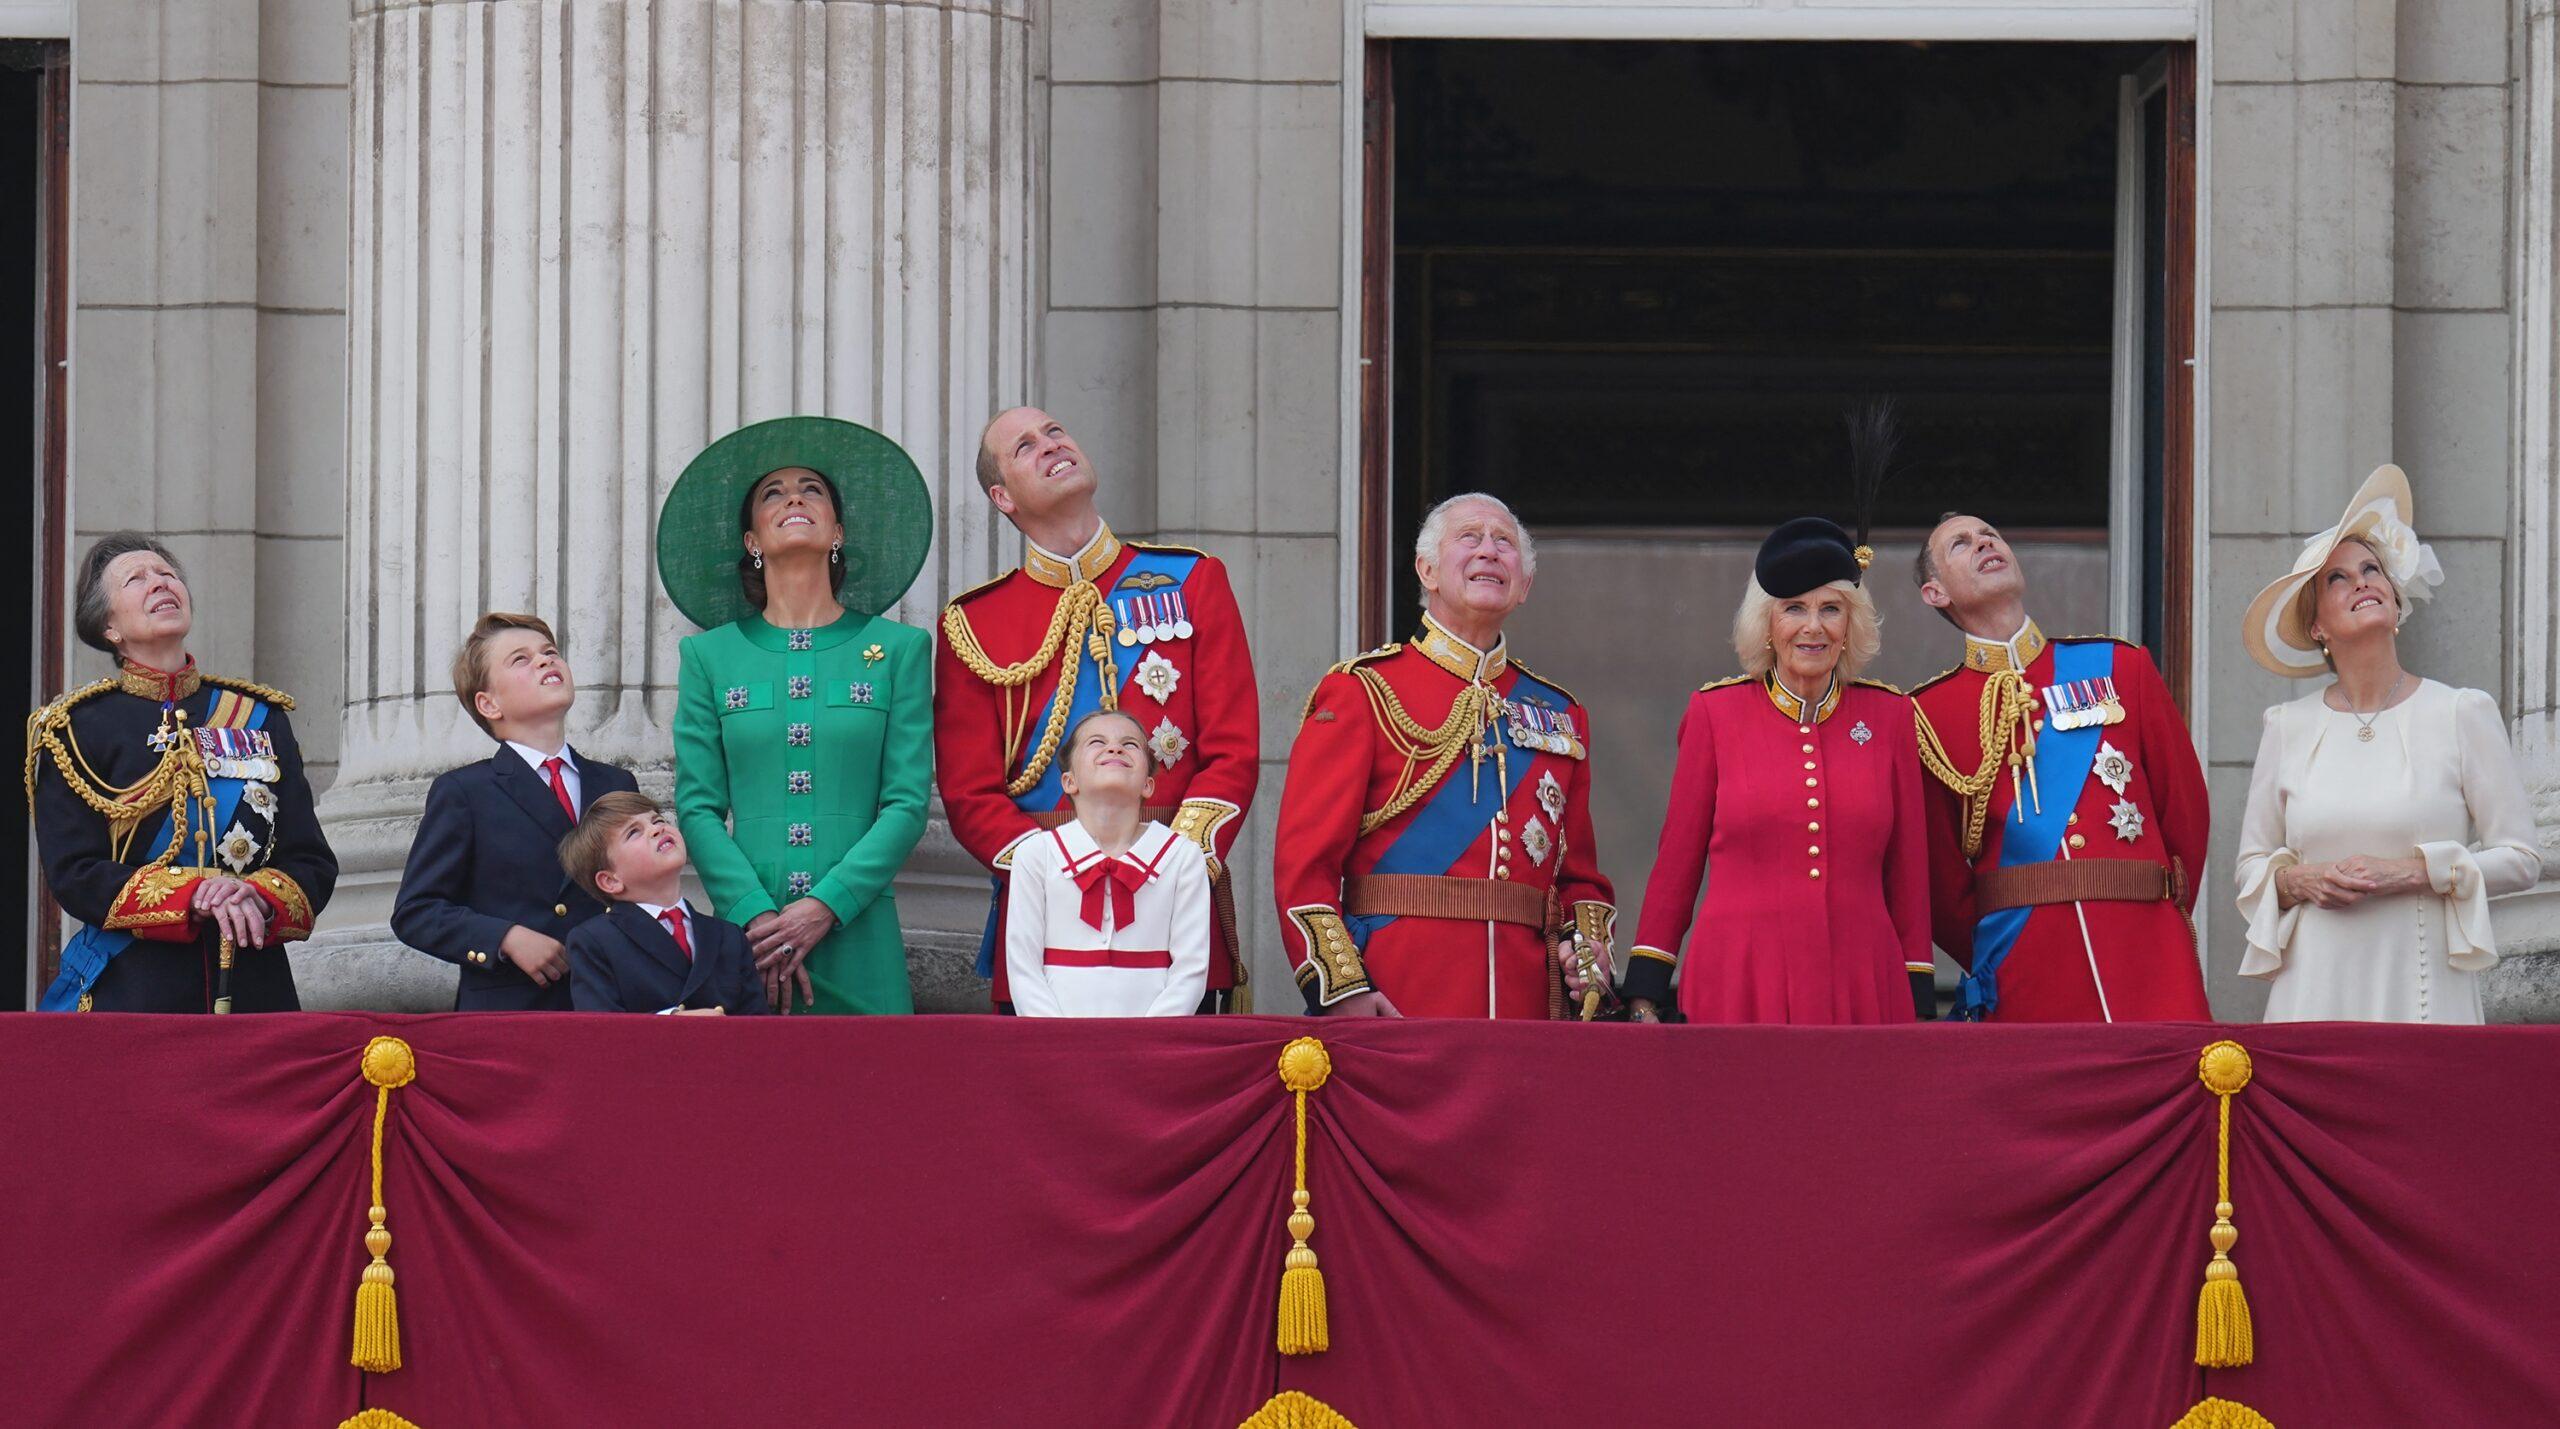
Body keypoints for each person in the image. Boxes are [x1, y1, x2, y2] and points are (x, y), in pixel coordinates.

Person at [936, 407, 1260, 1012]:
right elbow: (969, 794)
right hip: (1044, 911)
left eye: (1056, 431)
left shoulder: (1192, 580)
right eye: (1025, 446)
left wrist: (1170, 863)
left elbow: (1234, 751)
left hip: (1178, 897)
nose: (1051, 444)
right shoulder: (973, 624)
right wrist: (1057, 870)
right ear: (1002, 498)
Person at [1271, 493, 1615, 1018]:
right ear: (1426, 569)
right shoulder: (1363, 691)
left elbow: (1581, 880)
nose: (1489, 551)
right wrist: (1342, 990)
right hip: (1398, 998)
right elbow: (1305, 866)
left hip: (1529, 1010)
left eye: (1505, 543)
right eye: (1469, 537)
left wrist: (1587, 959)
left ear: (1524, 586)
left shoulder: (1560, 713)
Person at [2234, 464, 2541, 1023]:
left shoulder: (2461, 712)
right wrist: (2300, 879)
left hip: (2424, 991)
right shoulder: (2287, 725)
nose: (2362, 582)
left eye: (2372, 569)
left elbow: (2521, 859)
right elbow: (2252, 866)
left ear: (2397, 605)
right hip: (2313, 992)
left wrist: (2411, 873)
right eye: (2338, 579)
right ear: (2318, 628)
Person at [659, 417, 934, 1014]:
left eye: (812, 489)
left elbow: (907, 803)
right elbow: (698, 806)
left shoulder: (899, 649)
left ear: (837, 529)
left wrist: (827, 904)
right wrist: (755, 916)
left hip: (858, 929)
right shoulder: (708, 656)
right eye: (772, 493)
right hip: (750, 941)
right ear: (752, 540)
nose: (793, 498)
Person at [1618, 519, 1928, 1023]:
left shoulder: (1890, 717)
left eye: (1831, 609)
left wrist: (1917, 996)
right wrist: (1645, 991)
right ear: (1766, 623)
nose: (1814, 626)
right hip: (1737, 975)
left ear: (1851, 626)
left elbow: (1909, 873)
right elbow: (1677, 864)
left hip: (1863, 979)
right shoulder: (1715, 714)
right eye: (1794, 609)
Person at [1909, 513, 2211, 1021]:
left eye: (1991, 534)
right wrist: (2001, 940)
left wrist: (2158, 919)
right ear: (1935, 593)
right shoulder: (1927, 715)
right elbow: (1938, 880)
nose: (1984, 541)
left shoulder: (2118, 666)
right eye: (1961, 544)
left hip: (2149, 954)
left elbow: (2186, 812)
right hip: (2024, 965)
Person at [27, 534, 335, 1012]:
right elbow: (75, 873)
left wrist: (252, 892)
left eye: (167, 574)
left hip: (256, 988)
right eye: (136, 579)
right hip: (135, 992)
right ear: (108, 626)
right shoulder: (75, 730)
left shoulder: (259, 716)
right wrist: (192, 896)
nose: (160, 583)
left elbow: (311, 863)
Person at [391, 612, 639, 1009]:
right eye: (520, 659)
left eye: (550, 652)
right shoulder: (465, 792)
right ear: (489, 703)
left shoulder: (615, 783)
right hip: (513, 1008)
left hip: (609, 1001)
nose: (545, 660)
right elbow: (416, 911)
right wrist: (504, 937)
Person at [1003, 710, 1213, 1017]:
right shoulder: (1036, 854)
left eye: (1130, 745)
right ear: (1069, 781)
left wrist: (1148, 1042)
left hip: (1151, 1047)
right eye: (1096, 742)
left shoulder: (1182, 857)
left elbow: (1190, 971)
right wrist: (1057, 1040)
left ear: (1148, 785)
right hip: (1058, 1045)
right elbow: (1023, 969)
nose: (1114, 748)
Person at [558, 791, 769, 1015]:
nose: (657, 829)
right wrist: (672, 1021)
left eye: (657, 820)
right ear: (611, 881)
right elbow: (601, 1031)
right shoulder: (594, 941)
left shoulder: (729, 936)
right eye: (633, 833)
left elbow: (757, 1027)